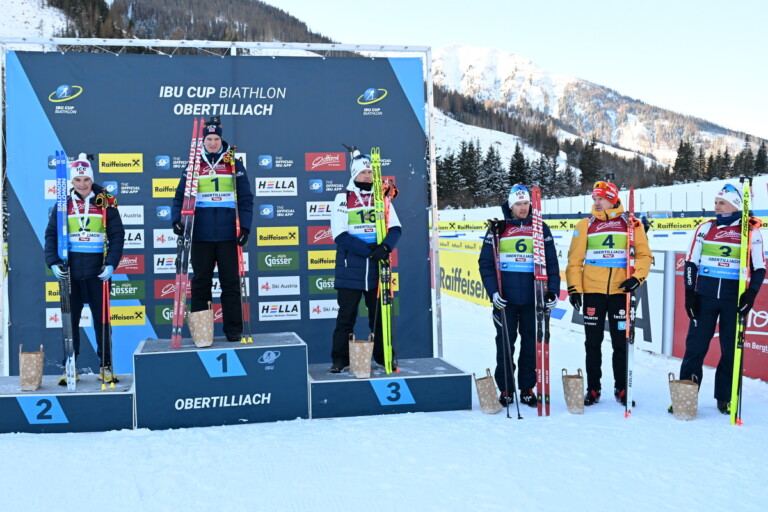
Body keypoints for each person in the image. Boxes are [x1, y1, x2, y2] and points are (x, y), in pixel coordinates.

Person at [678, 184, 765, 414]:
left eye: (722, 203)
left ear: (735, 205)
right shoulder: (706, 228)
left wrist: (751, 294)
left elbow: (759, 268)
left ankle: (725, 398)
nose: (716, 207)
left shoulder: (750, 231)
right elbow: (691, 262)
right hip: (704, 298)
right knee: (695, 349)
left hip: (732, 301)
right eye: (716, 202)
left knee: (731, 351)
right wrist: (689, 293)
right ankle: (685, 398)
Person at [566, 181, 652, 406]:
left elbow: (644, 255)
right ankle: (593, 388)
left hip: (620, 292)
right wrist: (574, 289)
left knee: (621, 343)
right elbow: (574, 260)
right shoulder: (585, 224)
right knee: (592, 343)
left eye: (601, 199)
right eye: (594, 199)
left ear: (612, 200)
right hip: (593, 291)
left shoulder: (630, 223)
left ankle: (621, 387)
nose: (596, 203)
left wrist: (637, 278)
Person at [172, 117, 254, 342]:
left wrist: (245, 228)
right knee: (201, 283)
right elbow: (180, 196)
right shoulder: (193, 164)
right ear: (203, 141)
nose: (213, 143)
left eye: (216, 139)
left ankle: (233, 330)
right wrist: (177, 221)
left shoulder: (233, 163)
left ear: (221, 140)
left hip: (228, 235)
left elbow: (246, 198)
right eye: (209, 139)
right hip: (200, 234)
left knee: (231, 283)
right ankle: (202, 332)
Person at [44, 153, 124, 384]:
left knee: (102, 322)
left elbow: (117, 235)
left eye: (86, 179)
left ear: (92, 180)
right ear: (72, 181)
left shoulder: (106, 202)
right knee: (70, 322)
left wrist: (111, 263)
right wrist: (53, 262)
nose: (82, 184)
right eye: (78, 180)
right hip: (69, 272)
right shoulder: (63, 205)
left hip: (98, 271)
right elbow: (51, 235)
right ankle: (70, 367)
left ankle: (106, 366)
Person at [478, 184, 560, 407]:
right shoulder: (498, 229)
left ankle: (527, 388)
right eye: (518, 204)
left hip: (533, 299)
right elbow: (485, 264)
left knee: (531, 345)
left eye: (526, 203)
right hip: (506, 299)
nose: (523, 208)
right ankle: (506, 388)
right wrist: (493, 293)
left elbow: (551, 263)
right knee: (505, 344)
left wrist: (552, 291)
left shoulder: (540, 227)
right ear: (510, 206)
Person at [329, 147, 401, 373]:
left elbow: (396, 228)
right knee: (346, 317)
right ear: (354, 174)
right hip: (351, 268)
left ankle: (384, 357)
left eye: (370, 172)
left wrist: (385, 247)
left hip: (378, 269)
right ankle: (340, 359)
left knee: (379, 317)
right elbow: (340, 235)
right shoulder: (343, 198)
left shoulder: (382, 197)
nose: (367, 176)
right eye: (363, 172)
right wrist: (370, 251)